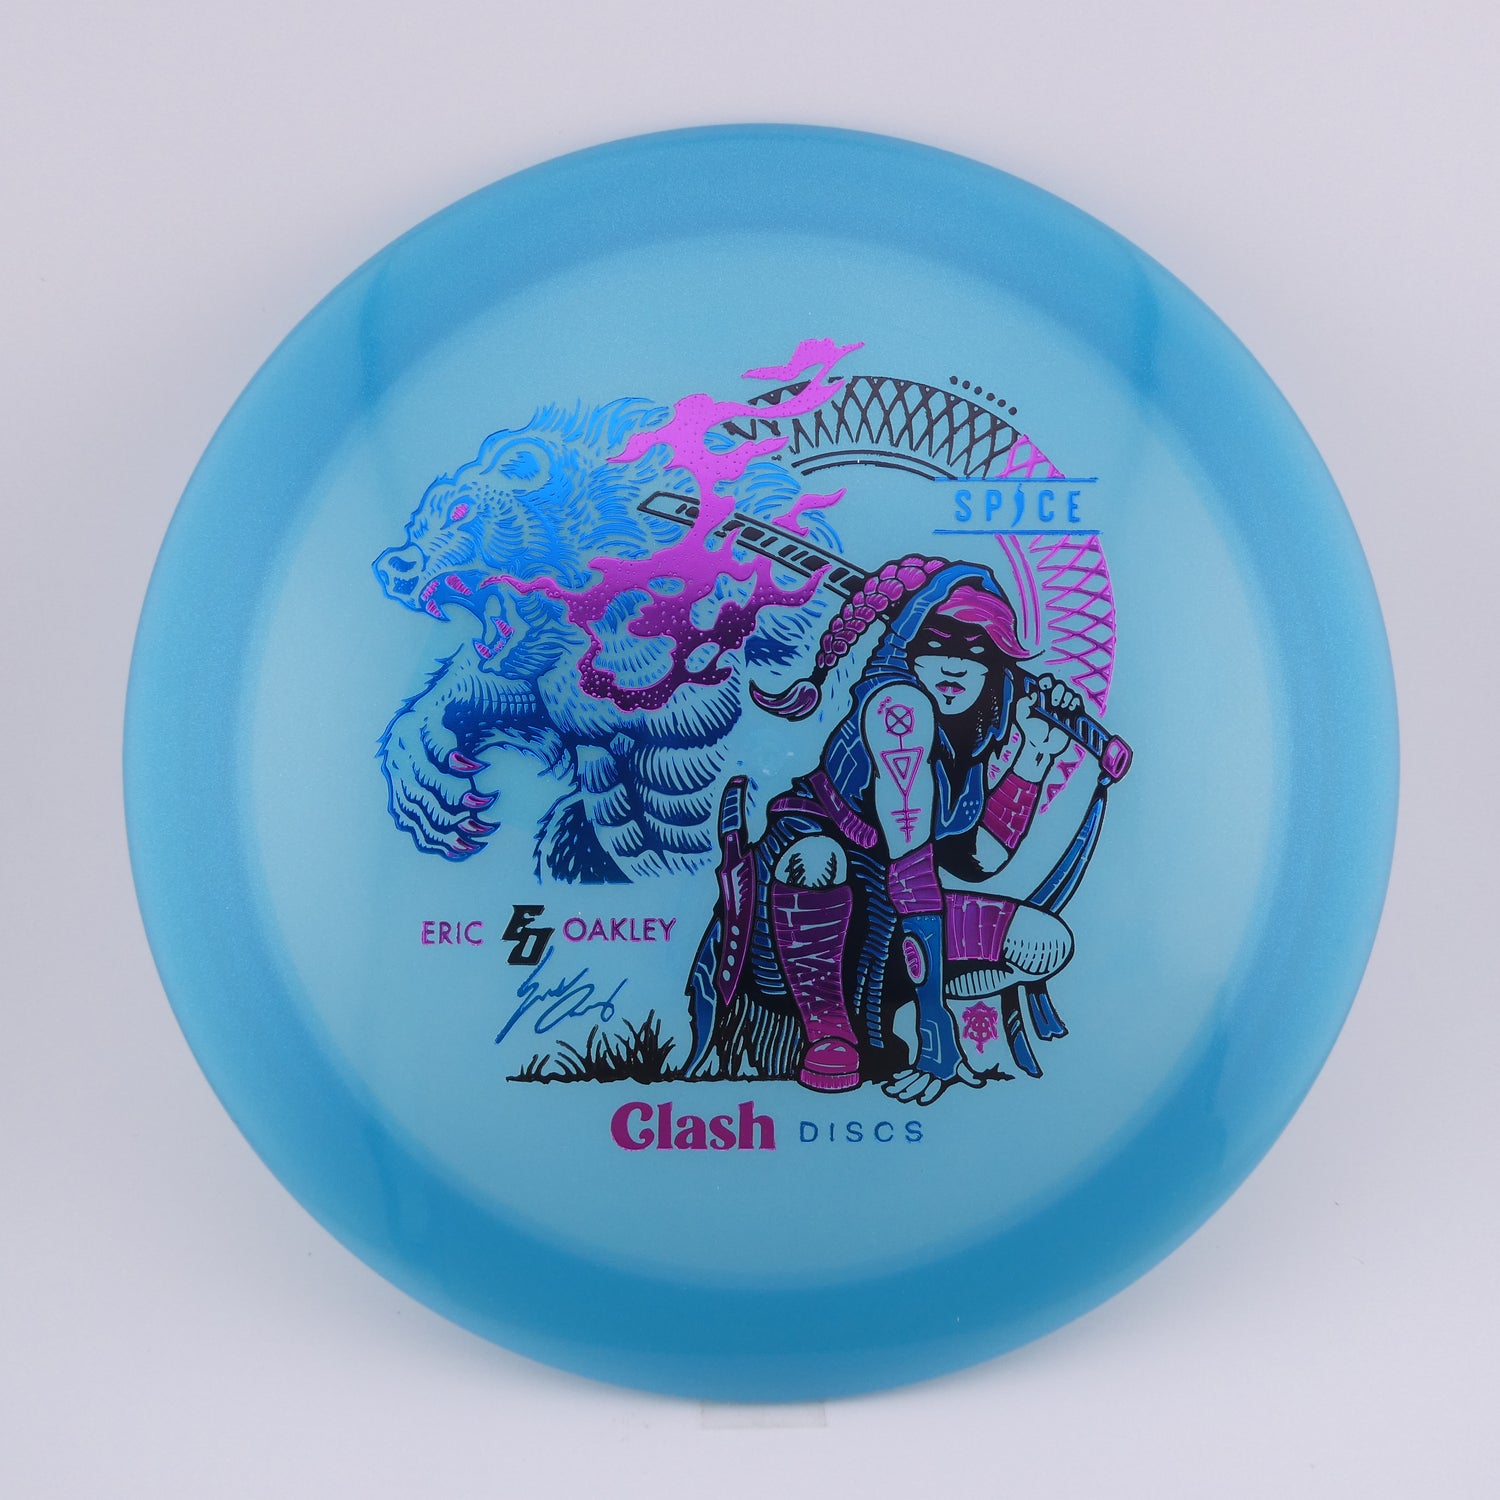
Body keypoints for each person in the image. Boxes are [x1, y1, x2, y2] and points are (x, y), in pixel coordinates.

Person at [685, 556, 1084, 1103]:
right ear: (909, 651)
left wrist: (1033, 757)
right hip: (800, 903)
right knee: (819, 857)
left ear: (996, 668)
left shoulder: (965, 748)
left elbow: (978, 860)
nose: (952, 665)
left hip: (890, 915)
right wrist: (934, 1027)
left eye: (975, 651)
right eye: (935, 645)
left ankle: (904, 1005)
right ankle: (829, 1029)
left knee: (1046, 944)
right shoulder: (901, 708)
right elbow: (911, 868)